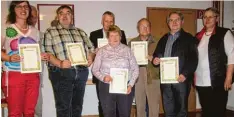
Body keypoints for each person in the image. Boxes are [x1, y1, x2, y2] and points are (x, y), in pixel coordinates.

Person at [41, 5, 95, 117]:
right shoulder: (50, 32)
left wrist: (91, 57)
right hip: (61, 73)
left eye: (68, 13)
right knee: (64, 107)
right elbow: (47, 53)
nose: (65, 16)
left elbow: (91, 49)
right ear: (57, 17)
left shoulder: (81, 32)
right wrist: (60, 63)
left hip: (81, 72)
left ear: (72, 16)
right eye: (61, 13)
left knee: (77, 106)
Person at [1, 1, 49, 117]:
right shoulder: (6, 29)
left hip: (33, 75)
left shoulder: (35, 31)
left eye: (26, 6)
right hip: (13, 74)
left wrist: (42, 56)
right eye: (19, 6)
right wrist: (8, 57)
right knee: (15, 113)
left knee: (29, 112)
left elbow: (35, 52)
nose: (23, 9)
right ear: (13, 10)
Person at [152, 11, 198, 117]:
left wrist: (185, 74)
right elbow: (157, 54)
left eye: (177, 19)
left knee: (181, 110)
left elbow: (193, 59)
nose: (174, 22)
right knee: (168, 109)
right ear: (168, 23)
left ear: (182, 22)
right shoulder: (163, 39)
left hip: (180, 80)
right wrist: (155, 60)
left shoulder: (189, 38)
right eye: (171, 20)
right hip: (166, 81)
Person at [92, 25, 139, 117]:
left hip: (125, 87)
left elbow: (135, 69)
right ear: (108, 38)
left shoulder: (127, 50)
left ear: (121, 37)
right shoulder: (101, 51)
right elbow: (95, 69)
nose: (115, 38)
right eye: (112, 35)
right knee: (108, 114)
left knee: (124, 113)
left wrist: (131, 84)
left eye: (117, 35)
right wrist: (103, 77)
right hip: (106, 86)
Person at [195, 7, 234, 117]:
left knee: (217, 111)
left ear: (216, 18)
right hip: (201, 82)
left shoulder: (224, 33)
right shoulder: (198, 36)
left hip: (217, 81)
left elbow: (232, 55)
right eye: (205, 17)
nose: (207, 19)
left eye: (210, 17)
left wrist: (229, 77)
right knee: (206, 112)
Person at [89, 11, 127, 117]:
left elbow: (125, 51)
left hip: (119, 75)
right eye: (106, 21)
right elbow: (90, 52)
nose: (109, 24)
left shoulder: (121, 33)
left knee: (119, 104)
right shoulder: (94, 34)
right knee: (103, 104)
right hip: (101, 75)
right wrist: (94, 52)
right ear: (102, 21)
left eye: (111, 21)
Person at [128, 18, 160, 117]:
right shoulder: (132, 43)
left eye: (147, 26)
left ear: (150, 28)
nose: (145, 28)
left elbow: (162, 58)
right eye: (142, 26)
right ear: (138, 29)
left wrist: (154, 59)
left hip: (153, 75)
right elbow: (128, 61)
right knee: (140, 105)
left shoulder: (158, 41)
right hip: (138, 75)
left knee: (154, 106)